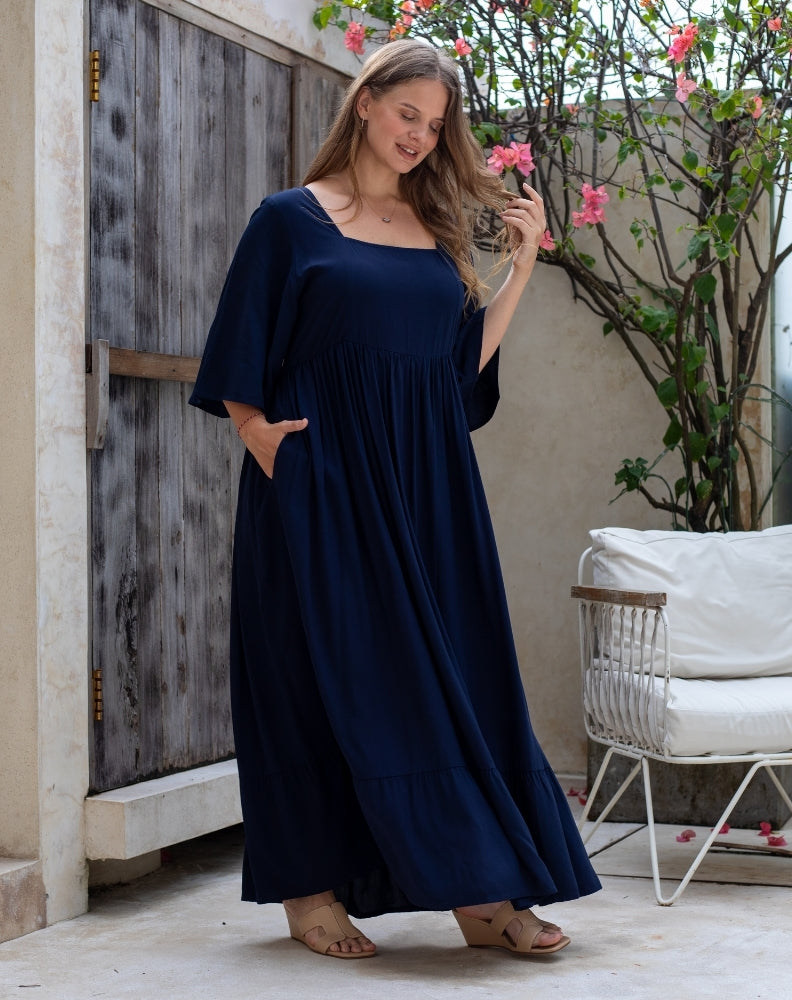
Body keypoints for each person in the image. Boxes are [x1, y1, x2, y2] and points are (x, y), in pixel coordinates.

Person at [189, 38, 600, 961]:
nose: (420, 135)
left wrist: (522, 265)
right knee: (313, 675)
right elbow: (240, 347)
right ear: (366, 102)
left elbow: (455, 378)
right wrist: (253, 431)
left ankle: (479, 889)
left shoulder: (436, 228)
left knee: (456, 674)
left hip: (428, 488)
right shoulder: (290, 221)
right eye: (407, 113)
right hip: (321, 483)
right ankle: (311, 891)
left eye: (436, 124)